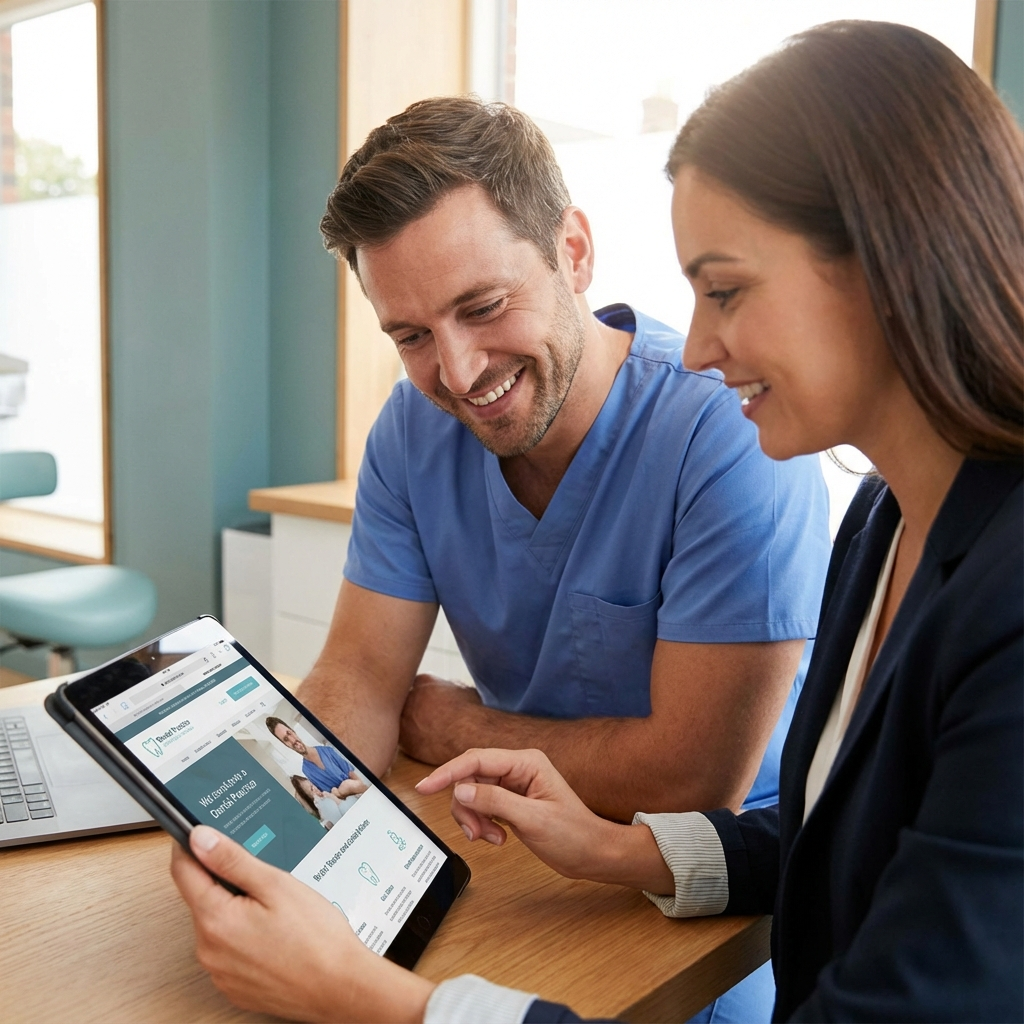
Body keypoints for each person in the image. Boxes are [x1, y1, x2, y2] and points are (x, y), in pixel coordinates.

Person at [169, 20, 1022, 1024]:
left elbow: (711, 783)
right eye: (410, 334)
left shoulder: (986, 589)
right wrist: (618, 847)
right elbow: (844, 837)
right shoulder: (885, 520)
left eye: (726, 290)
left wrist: (372, 995)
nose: (697, 347)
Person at [265, 716, 361, 796]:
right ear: (285, 745)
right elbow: (330, 794)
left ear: (293, 731)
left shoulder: (328, 750)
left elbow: (353, 775)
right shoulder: (306, 771)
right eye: (286, 739)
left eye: (289, 733)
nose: (292, 741)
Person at [290, 775, 366, 829]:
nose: (315, 788)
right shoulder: (325, 819)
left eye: (312, 785)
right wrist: (334, 799)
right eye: (311, 789)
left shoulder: (330, 795)